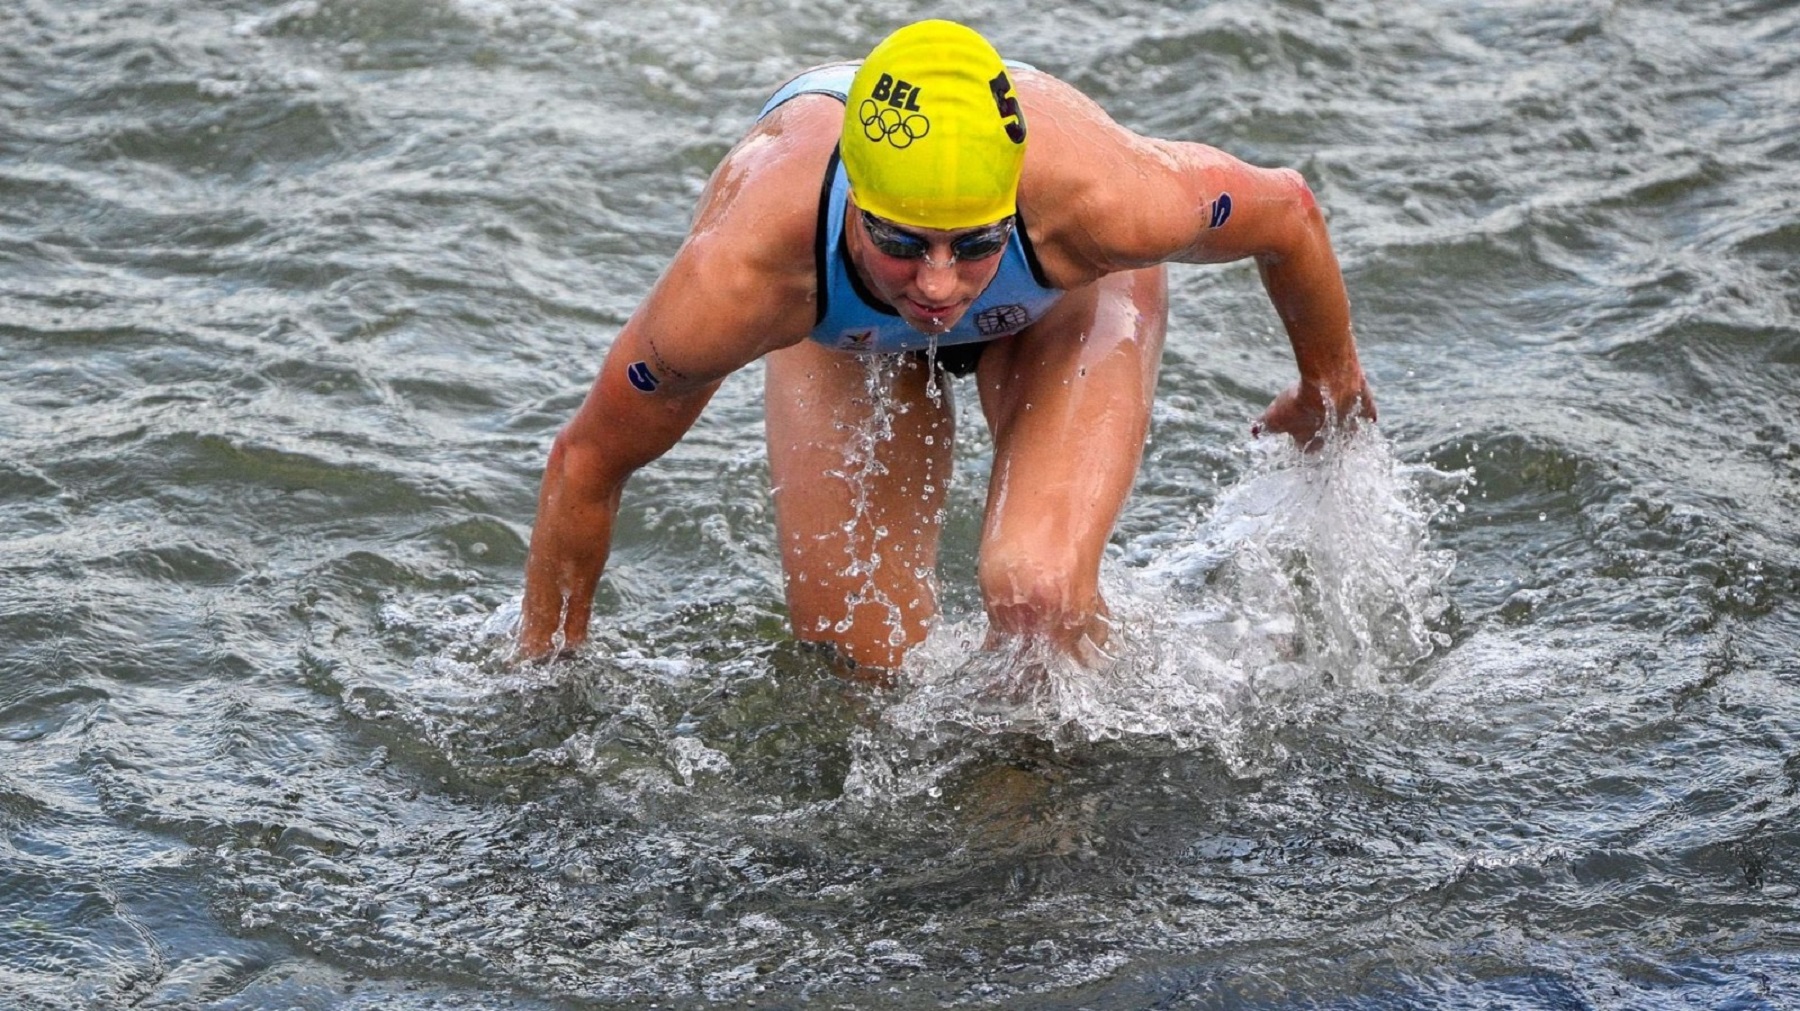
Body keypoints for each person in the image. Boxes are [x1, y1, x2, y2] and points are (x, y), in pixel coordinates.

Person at [518, 19, 1374, 671]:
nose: (937, 285)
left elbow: (1287, 212)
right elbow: (587, 459)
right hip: (841, 331)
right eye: (903, 244)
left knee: (1038, 597)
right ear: (854, 207)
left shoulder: (1105, 198)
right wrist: (547, 676)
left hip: (1059, 298)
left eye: (970, 245)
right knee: (856, 669)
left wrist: (1327, 390)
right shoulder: (745, 274)